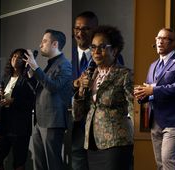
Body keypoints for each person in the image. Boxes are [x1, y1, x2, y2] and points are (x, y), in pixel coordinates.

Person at [73, 25, 134, 170]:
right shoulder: (90, 74)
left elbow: (134, 107)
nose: (96, 52)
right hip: (92, 142)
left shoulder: (125, 74)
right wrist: (81, 90)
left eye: (102, 47)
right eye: (93, 47)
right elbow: (78, 114)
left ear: (115, 50)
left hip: (116, 143)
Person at [134, 28, 175, 170]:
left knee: (168, 160)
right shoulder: (153, 66)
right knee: (160, 164)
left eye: (164, 38)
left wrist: (152, 89)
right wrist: (141, 94)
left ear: (173, 43)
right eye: (158, 38)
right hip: (156, 121)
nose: (160, 41)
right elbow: (149, 90)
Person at [24, 29, 72, 170]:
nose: (40, 45)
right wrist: (31, 76)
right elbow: (40, 90)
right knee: (39, 163)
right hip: (39, 120)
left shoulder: (65, 64)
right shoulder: (49, 64)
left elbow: (54, 87)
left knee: (53, 163)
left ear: (55, 44)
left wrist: (36, 67)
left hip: (52, 121)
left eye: (44, 41)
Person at [0, 48, 36, 170]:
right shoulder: (6, 77)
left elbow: (32, 101)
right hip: (5, 123)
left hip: (20, 126)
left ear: (24, 60)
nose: (15, 59)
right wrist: (0, 98)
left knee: (19, 161)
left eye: (19, 57)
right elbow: (2, 95)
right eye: (13, 56)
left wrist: (13, 101)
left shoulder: (28, 78)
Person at [71, 11, 99, 170]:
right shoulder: (67, 54)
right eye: (77, 28)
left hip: (97, 126)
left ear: (96, 30)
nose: (80, 33)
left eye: (86, 29)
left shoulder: (107, 54)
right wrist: (76, 84)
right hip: (74, 125)